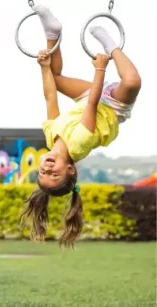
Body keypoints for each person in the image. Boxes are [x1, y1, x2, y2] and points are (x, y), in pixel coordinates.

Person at [21, 5, 141, 248]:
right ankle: (112, 46)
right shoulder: (78, 145)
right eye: (54, 174)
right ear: (70, 170)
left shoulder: (50, 137)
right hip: (111, 106)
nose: (47, 168)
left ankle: (52, 32)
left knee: (54, 78)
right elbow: (94, 105)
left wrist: (44, 68)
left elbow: (50, 97)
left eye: (43, 172)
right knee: (132, 82)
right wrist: (100, 68)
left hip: (88, 97)